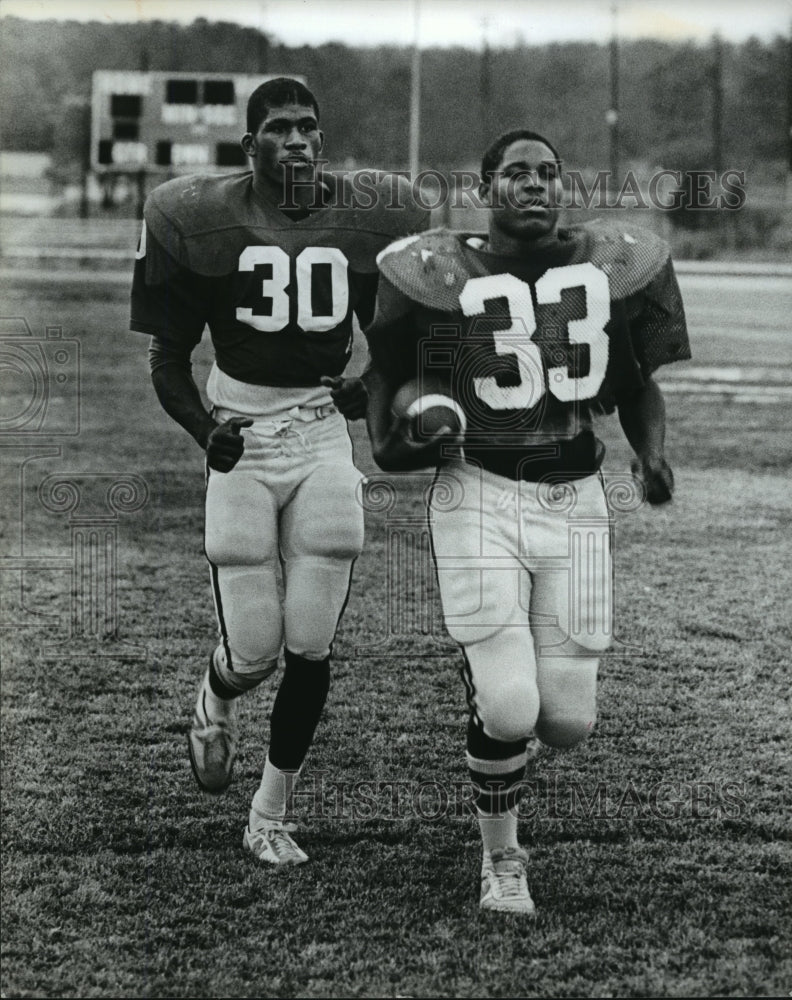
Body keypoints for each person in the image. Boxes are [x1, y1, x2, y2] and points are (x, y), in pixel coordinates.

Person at [363, 129, 690, 913]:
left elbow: (640, 383)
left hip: (575, 498)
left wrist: (649, 456)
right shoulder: (434, 270)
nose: (537, 185)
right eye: (518, 173)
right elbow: (389, 408)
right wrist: (419, 426)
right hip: (479, 489)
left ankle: (494, 684)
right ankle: (501, 859)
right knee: (511, 706)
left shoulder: (605, 263)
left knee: (569, 721)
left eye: (549, 172)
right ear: (486, 187)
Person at [130, 77, 428, 865]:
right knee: (255, 650)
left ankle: (270, 809)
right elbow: (167, 359)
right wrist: (205, 430)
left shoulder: (368, 217)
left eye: (309, 128)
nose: (298, 140)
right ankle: (217, 693)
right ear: (249, 146)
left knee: (311, 643)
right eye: (281, 129)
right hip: (242, 435)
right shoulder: (198, 218)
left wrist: (374, 382)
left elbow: (404, 335)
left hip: (324, 434)